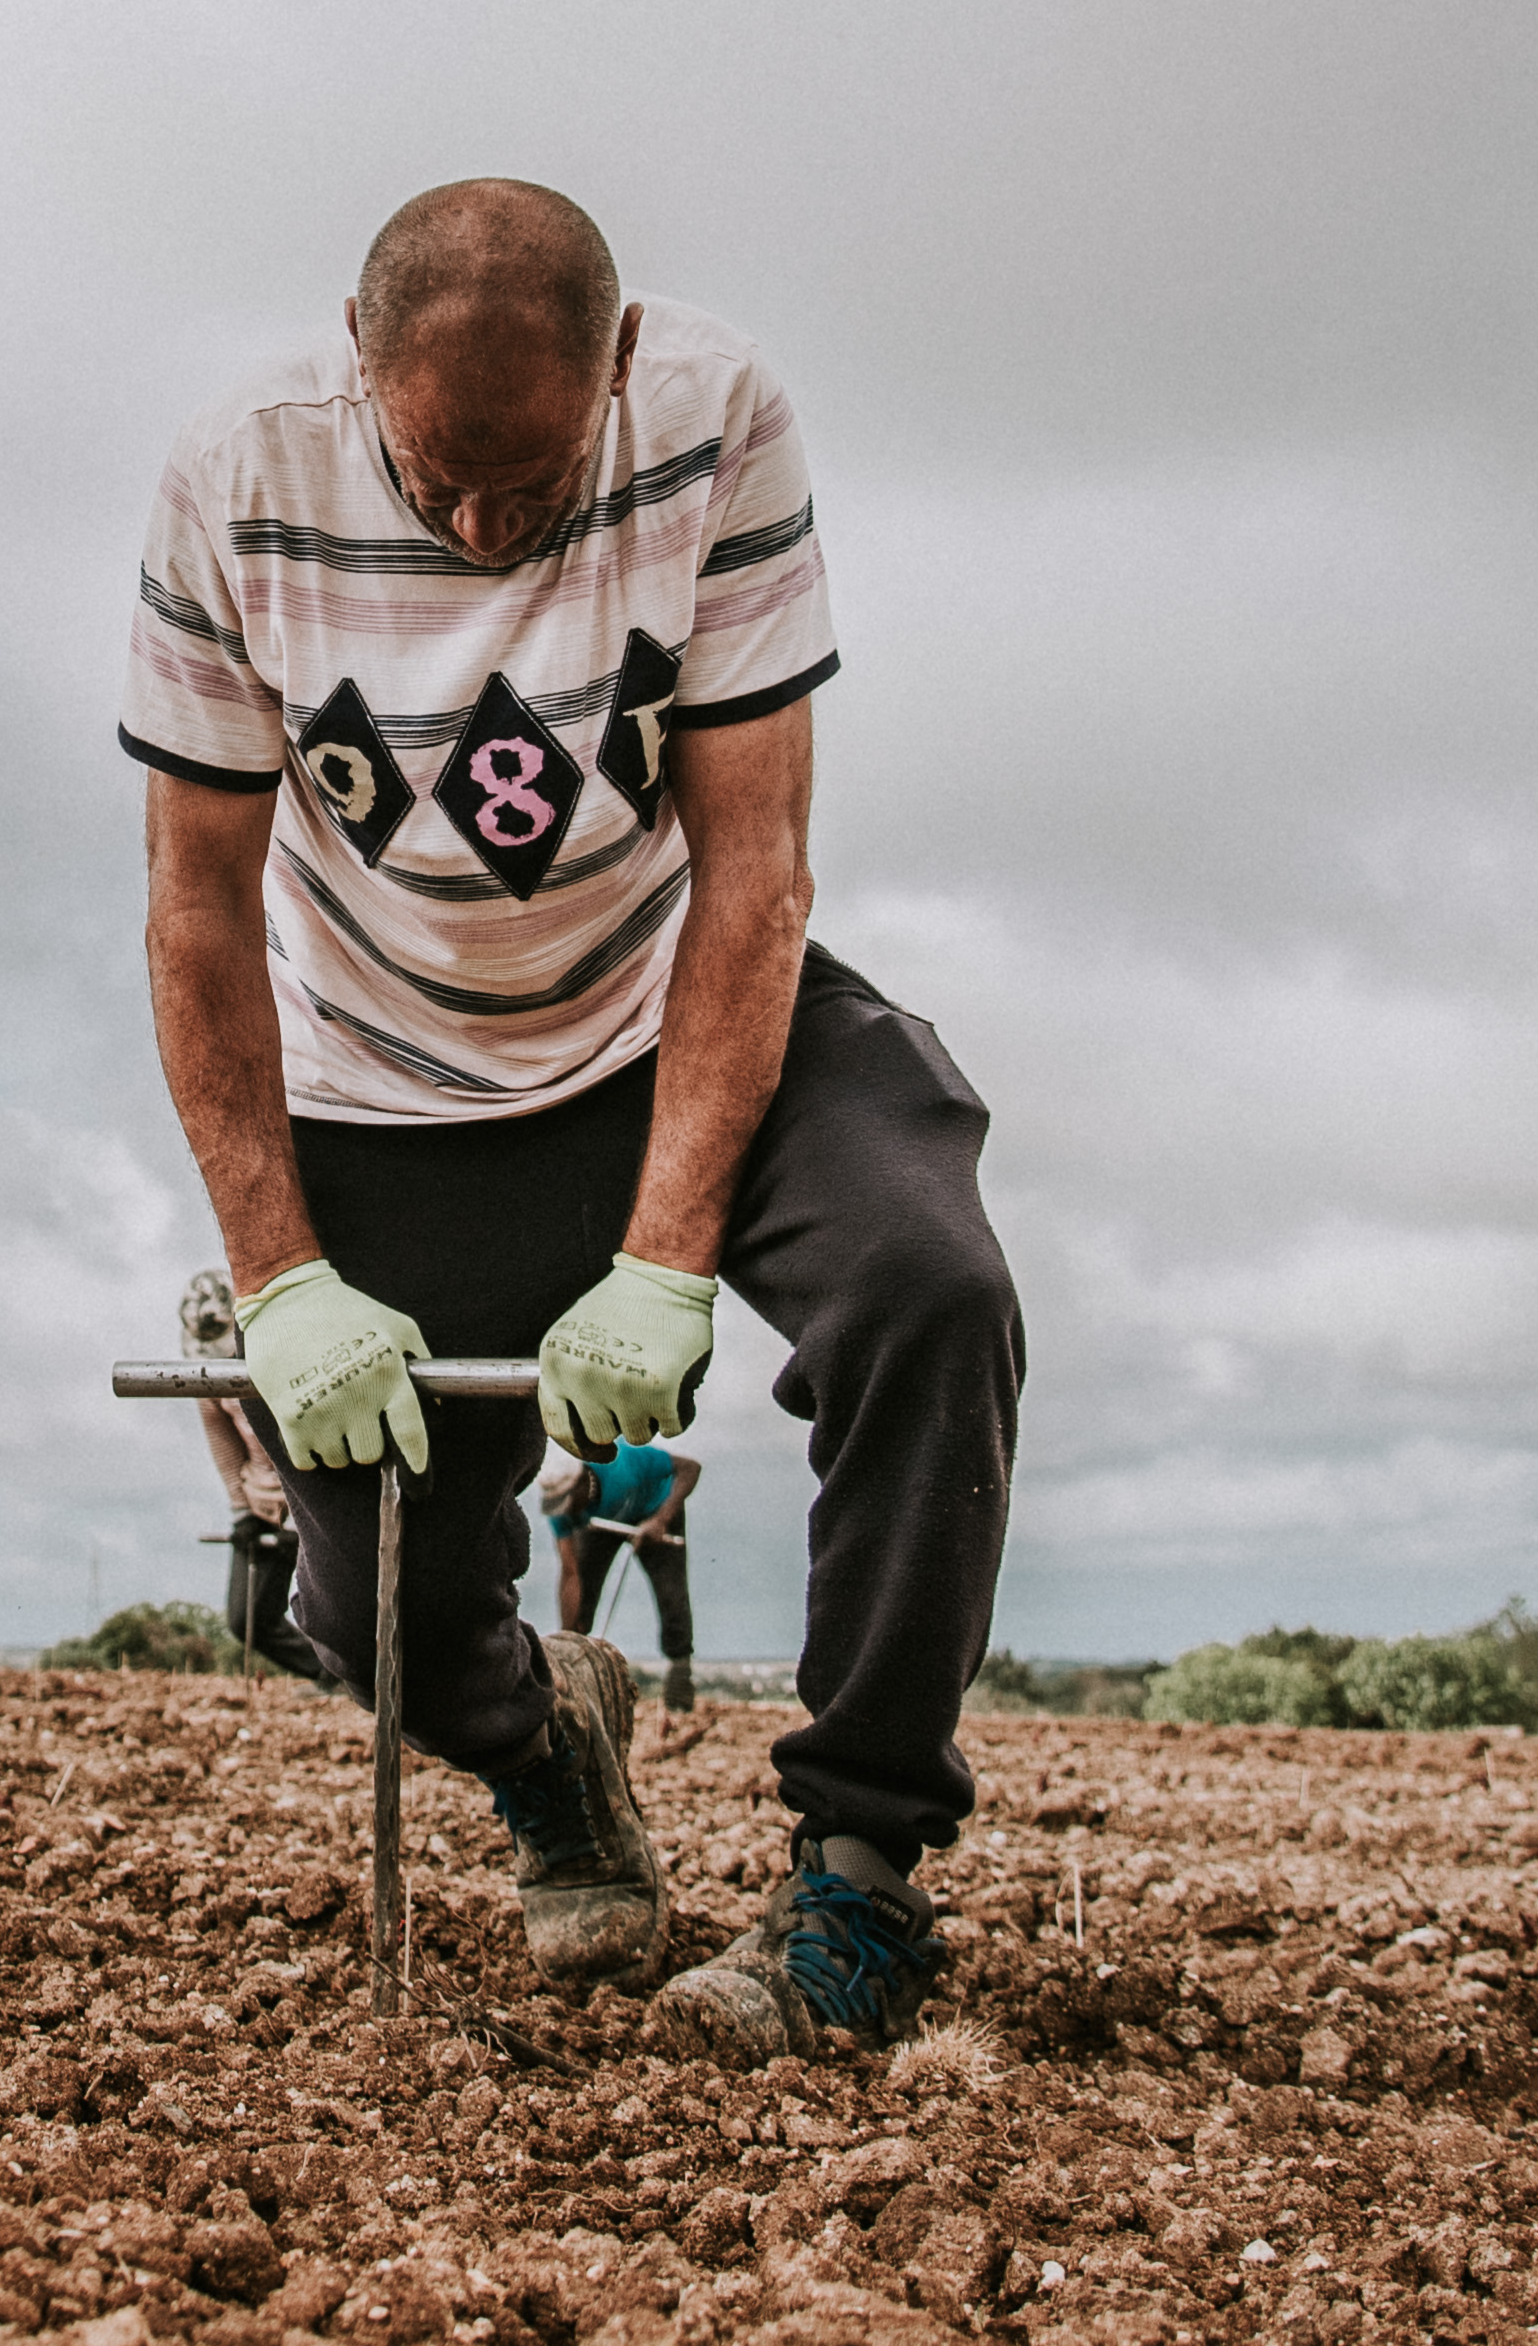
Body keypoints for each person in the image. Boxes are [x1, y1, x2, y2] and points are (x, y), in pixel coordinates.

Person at [126, 176, 1026, 2055]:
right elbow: (194, 913)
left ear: (617, 368)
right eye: (434, 477)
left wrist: (667, 1253)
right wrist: (280, 1275)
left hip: (683, 1003)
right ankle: (547, 1746)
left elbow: (756, 865)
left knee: (927, 1286)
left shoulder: (714, 414)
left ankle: (856, 1885)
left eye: (527, 490)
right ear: (354, 359)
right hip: (391, 1070)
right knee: (360, 1601)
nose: (478, 533)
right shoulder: (233, 480)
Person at [180, 1265, 327, 1682]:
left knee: (338, 1612)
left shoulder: (291, 1357)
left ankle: (363, 1681)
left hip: (311, 1496)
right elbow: (223, 1442)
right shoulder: (207, 1374)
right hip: (261, 1503)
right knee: (247, 1621)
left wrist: (300, 1517)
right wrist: (242, 1510)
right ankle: (333, 1680)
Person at [542, 1432, 705, 1712]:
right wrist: (565, 1642)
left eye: (567, 1501)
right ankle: (573, 1675)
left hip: (656, 1511)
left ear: (581, 1482)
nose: (564, 1510)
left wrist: (661, 1519)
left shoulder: (624, 1463)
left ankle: (679, 1688)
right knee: (583, 1597)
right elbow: (570, 1574)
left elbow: (690, 1468)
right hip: (602, 1522)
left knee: (671, 1594)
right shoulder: (564, 1513)